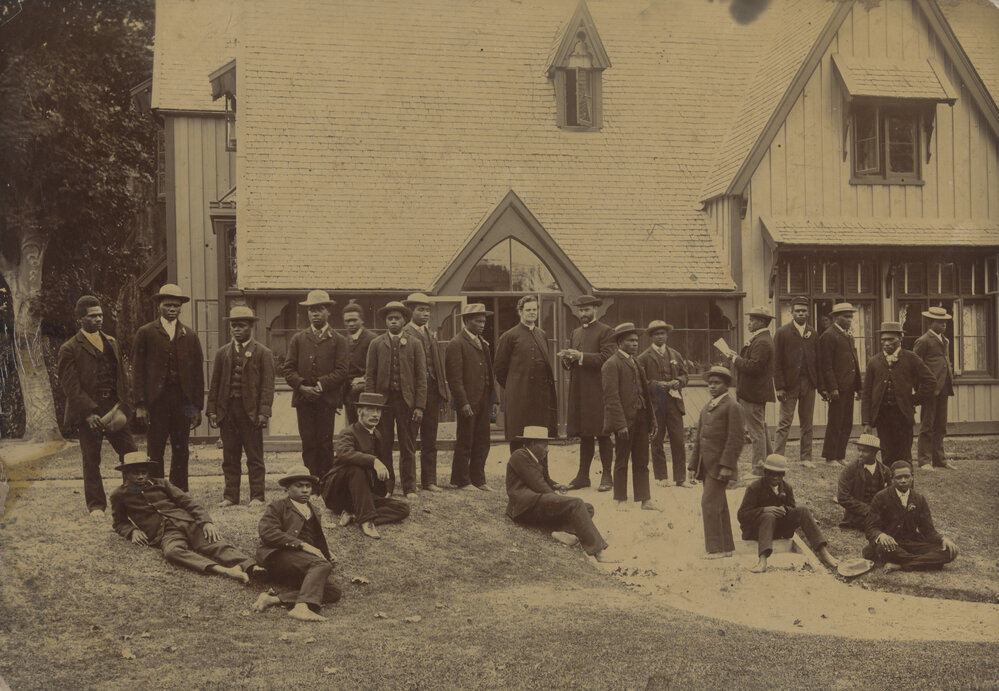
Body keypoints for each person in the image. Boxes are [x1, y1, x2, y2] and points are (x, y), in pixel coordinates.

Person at [110, 453, 259, 582]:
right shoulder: (119, 495)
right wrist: (132, 531)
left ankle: (252, 567)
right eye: (136, 473)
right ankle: (226, 571)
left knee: (215, 543)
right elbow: (119, 522)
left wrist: (206, 522)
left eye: (144, 472)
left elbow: (188, 503)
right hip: (165, 534)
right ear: (126, 473)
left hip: (187, 522)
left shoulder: (162, 484)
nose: (141, 476)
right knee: (172, 552)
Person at [56, 295, 138, 518]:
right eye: (93, 316)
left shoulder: (111, 341)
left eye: (101, 315)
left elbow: (121, 377)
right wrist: (89, 413)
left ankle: (132, 500)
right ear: (80, 319)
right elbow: (71, 387)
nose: (99, 319)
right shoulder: (69, 348)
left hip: (114, 407)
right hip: (90, 412)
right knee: (91, 458)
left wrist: (125, 405)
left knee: (130, 453)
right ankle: (96, 506)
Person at [505, 426, 620, 563]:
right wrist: (561, 501)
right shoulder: (520, 455)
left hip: (534, 503)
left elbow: (543, 480)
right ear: (533, 443)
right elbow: (539, 485)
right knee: (576, 504)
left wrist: (554, 485)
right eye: (545, 445)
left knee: (587, 507)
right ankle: (598, 551)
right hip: (524, 508)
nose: (547, 449)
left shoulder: (533, 457)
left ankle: (561, 532)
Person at [132, 283, 204, 491]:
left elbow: (197, 375)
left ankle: (179, 490)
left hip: (183, 401)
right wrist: (140, 405)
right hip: (157, 401)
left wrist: (196, 408)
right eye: (167, 305)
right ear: (159, 306)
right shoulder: (146, 332)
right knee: (156, 447)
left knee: (181, 447)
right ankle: (156, 489)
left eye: (176, 306)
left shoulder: (189, 335)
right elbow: (137, 371)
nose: (172, 309)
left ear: (181, 308)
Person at [206, 306, 275, 507]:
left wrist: (264, 412)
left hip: (251, 413)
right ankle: (230, 496)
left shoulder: (263, 353)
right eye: (234, 325)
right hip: (227, 411)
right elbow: (215, 383)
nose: (237, 329)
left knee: (254, 456)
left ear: (251, 327)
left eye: (241, 325)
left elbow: (268, 386)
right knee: (230, 456)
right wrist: (212, 410)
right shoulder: (222, 353)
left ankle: (257, 496)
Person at [253, 466, 342, 622]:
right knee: (321, 565)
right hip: (277, 555)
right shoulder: (278, 506)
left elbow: (313, 539)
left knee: (333, 592)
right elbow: (267, 533)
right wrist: (301, 545)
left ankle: (272, 600)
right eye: (299, 486)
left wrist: (328, 553)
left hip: (300, 562)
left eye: (308, 486)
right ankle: (301, 608)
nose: (305, 490)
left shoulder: (314, 510)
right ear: (288, 488)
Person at [321, 393, 411, 539]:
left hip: (363, 495)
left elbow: (384, 463)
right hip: (338, 493)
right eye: (370, 409)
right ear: (359, 411)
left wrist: (387, 488)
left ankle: (355, 514)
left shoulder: (377, 434)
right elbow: (344, 453)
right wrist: (373, 461)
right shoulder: (348, 432)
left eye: (378, 410)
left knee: (402, 509)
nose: (375, 414)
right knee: (356, 469)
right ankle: (366, 521)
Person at [283, 290, 349, 479]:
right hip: (303, 400)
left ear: (328, 312)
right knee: (308, 442)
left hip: (325, 400)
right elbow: (288, 369)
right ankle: (310, 482)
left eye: (319, 309)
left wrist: (320, 386)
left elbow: (342, 371)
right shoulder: (298, 339)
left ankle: (325, 482)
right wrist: (302, 387)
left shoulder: (339, 340)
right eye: (311, 310)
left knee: (324, 442)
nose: (315, 313)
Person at [365, 300, 427, 498]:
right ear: (385, 321)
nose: (393, 322)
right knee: (383, 445)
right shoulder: (376, 344)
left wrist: (419, 406)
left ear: (404, 320)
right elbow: (370, 376)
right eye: (390, 318)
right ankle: (387, 487)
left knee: (407, 445)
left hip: (406, 402)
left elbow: (421, 377)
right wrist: (371, 405)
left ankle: (409, 487)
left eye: (397, 318)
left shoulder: (415, 344)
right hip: (382, 404)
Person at [737, 454, 839, 573]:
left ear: (784, 474)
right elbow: (742, 515)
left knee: (803, 510)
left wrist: (785, 509)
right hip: (757, 531)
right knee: (768, 515)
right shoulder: (754, 487)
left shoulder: (786, 487)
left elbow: (793, 509)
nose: (776, 477)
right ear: (765, 472)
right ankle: (762, 560)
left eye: (779, 474)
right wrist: (764, 509)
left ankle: (824, 553)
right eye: (772, 473)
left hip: (778, 530)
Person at [559, 295, 616, 492]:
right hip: (580, 390)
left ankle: (607, 475)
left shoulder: (606, 331)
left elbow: (608, 358)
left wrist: (581, 356)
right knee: (585, 434)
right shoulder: (575, 333)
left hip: (598, 390)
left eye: (587, 310)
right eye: (580, 310)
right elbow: (574, 361)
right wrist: (567, 359)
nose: (583, 314)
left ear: (595, 310)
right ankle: (583, 476)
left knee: (602, 433)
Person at [601, 322, 660, 511]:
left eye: (636, 340)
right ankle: (620, 499)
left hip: (641, 417)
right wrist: (620, 425)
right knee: (621, 459)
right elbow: (611, 397)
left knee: (642, 459)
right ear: (620, 342)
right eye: (630, 341)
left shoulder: (636, 362)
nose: (635, 344)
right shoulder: (611, 364)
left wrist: (651, 419)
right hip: (625, 421)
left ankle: (645, 499)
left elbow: (644, 392)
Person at [689, 366, 744, 558]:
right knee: (718, 504)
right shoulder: (707, 407)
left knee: (709, 504)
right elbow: (699, 438)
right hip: (706, 465)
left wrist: (727, 465)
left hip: (720, 467)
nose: (712, 386)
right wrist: (692, 465)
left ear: (727, 385)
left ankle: (715, 549)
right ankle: (726, 547)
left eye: (717, 383)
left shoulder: (733, 407)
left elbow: (735, 439)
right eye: (710, 383)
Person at [861, 322, 935, 464]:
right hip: (882, 416)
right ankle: (888, 484)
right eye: (883, 340)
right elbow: (866, 395)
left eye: (891, 340)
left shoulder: (911, 358)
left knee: (904, 455)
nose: (886, 343)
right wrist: (866, 422)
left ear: (900, 338)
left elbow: (930, 381)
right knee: (886, 454)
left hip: (903, 416)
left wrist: (914, 399)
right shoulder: (874, 362)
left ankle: (906, 485)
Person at [863, 461, 958, 571]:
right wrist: (882, 536)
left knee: (947, 551)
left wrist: (943, 539)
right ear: (892, 479)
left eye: (906, 477)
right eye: (899, 477)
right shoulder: (881, 497)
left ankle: (901, 565)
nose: (903, 481)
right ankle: (926, 563)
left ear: (912, 477)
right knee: (881, 548)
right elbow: (871, 528)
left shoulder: (919, 499)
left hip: (911, 544)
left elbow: (928, 530)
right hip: (890, 545)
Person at [494, 295, 557, 452]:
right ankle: (517, 475)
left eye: (534, 309)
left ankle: (542, 475)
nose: (532, 312)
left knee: (540, 437)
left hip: (539, 398)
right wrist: (514, 385)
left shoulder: (542, 334)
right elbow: (499, 369)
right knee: (518, 437)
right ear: (520, 312)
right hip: (519, 397)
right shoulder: (509, 336)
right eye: (528, 310)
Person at [445, 304, 498, 491]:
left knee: (483, 440)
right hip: (467, 401)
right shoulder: (456, 343)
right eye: (478, 321)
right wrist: (463, 402)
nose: (482, 324)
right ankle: (461, 480)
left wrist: (493, 399)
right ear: (466, 321)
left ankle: (479, 479)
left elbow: (490, 374)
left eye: (484, 321)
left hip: (483, 399)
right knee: (465, 440)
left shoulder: (483, 343)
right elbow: (454, 378)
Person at [403, 293, 449, 492]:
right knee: (410, 440)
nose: (425, 313)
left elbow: (438, 365)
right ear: (410, 311)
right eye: (420, 309)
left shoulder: (430, 333)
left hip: (432, 392)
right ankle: (409, 482)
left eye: (427, 310)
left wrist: (442, 392)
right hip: (412, 395)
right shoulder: (404, 334)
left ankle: (429, 480)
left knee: (430, 438)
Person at [638, 320, 691, 488]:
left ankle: (680, 478)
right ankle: (661, 477)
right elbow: (638, 382)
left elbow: (685, 375)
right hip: (655, 405)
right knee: (657, 439)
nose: (660, 337)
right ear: (651, 337)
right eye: (656, 334)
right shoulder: (643, 357)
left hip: (674, 403)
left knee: (677, 439)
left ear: (667, 335)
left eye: (662, 333)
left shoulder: (675, 355)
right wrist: (654, 384)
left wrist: (679, 381)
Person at [726, 306, 775, 476]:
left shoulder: (762, 341)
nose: (749, 323)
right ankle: (769, 461)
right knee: (760, 427)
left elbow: (754, 367)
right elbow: (753, 362)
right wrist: (738, 357)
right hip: (754, 392)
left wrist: (735, 359)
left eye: (752, 320)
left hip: (753, 393)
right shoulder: (761, 339)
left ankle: (759, 468)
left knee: (756, 431)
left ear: (761, 322)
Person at [773, 297, 818, 467]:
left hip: (809, 383)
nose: (801, 313)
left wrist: (817, 383)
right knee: (785, 422)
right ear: (791, 313)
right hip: (789, 385)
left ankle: (806, 458)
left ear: (808, 313)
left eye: (804, 311)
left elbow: (817, 360)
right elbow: (776, 362)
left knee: (807, 422)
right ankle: (778, 457)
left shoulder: (813, 333)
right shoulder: (782, 332)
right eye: (797, 311)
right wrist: (779, 386)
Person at [914, 307, 957, 470]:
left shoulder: (945, 340)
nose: (944, 324)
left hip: (944, 387)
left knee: (941, 424)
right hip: (930, 389)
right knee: (928, 424)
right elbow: (916, 366)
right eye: (940, 322)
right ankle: (925, 460)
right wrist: (921, 389)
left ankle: (940, 459)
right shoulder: (923, 341)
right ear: (930, 323)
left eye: (945, 321)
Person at [818, 302, 861, 466]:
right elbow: (826, 365)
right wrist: (832, 388)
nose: (849, 319)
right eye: (845, 316)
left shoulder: (848, 335)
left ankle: (840, 455)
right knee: (835, 422)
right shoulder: (828, 336)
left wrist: (859, 387)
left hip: (849, 386)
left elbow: (854, 363)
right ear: (835, 317)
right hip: (837, 388)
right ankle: (830, 457)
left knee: (846, 422)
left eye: (851, 316)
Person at [836, 433, 890, 530]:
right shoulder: (850, 469)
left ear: (875, 452)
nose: (860, 454)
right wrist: (868, 510)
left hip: (879, 512)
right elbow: (842, 497)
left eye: (864, 451)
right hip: (856, 515)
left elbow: (891, 494)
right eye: (859, 450)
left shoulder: (884, 470)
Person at [341, 301, 376, 425]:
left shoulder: (372, 339)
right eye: (347, 321)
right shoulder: (343, 341)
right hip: (348, 391)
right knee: (352, 425)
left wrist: (364, 378)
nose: (350, 324)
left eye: (354, 320)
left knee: (367, 424)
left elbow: (378, 365)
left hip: (366, 390)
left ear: (362, 320)